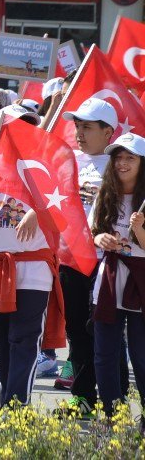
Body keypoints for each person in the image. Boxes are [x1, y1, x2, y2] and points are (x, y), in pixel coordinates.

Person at [0, 106, 62, 408]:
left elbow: (64, 212)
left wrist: (38, 212)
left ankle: (17, 409)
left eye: (27, 126)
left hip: (32, 270)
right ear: (0, 131)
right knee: (3, 344)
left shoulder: (46, 167)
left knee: (24, 340)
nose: (19, 132)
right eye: (13, 126)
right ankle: (8, 405)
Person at [54, 97, 117, 417]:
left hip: (107, 262)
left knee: (104, 331)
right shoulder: (70, 161)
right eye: (77, 126)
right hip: (70, 259)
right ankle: (82, 398)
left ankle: (113, 399)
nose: (79, 133)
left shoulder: (122, 165)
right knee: (76, 331)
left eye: (87, 127)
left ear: (109, 133)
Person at [90, 133, 145, 417]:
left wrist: (139, 230)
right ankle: (112, 415)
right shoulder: (105, 192)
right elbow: (94, 231)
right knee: (104, 354)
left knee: (141, 356)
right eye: (118, 157)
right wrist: (100, 240)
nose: (122, 163)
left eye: (130, 158)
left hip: (141, 280)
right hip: (110, 277)